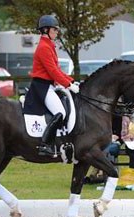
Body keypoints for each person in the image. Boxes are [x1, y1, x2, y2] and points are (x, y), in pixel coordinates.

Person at [23, 15, 79, 157]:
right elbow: (52, 71)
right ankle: (45, 145)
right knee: (60, 112)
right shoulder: (43, 47)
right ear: (46, 30)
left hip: (48, 85)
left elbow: (57, 69)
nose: (57, 32)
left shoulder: (49, 45)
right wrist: (67, 84)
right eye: (55, 29)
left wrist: (71, 82)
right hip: (41, 86)